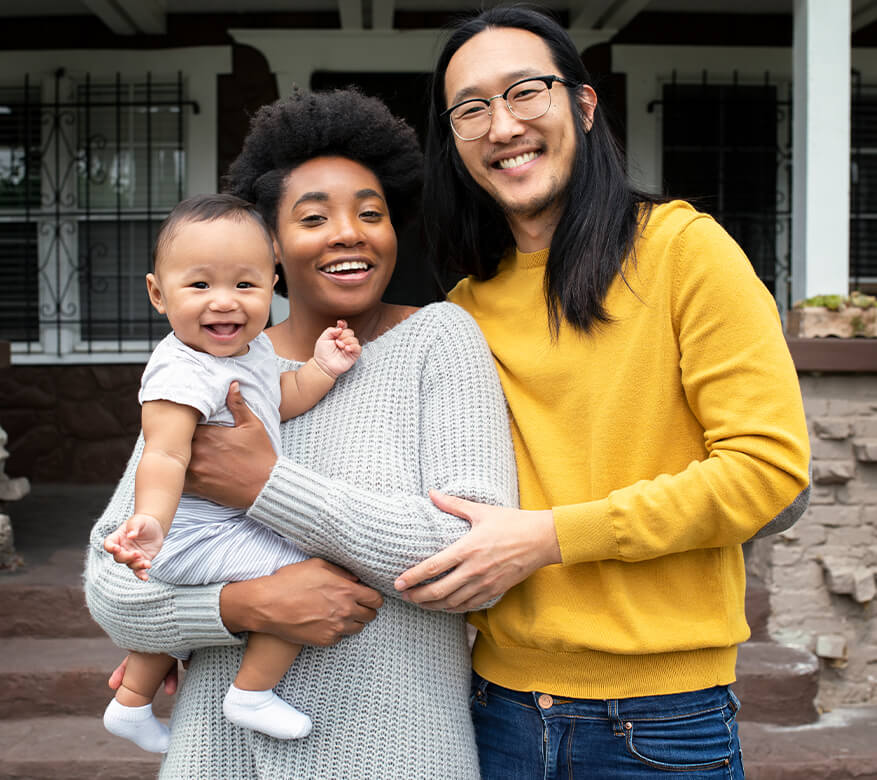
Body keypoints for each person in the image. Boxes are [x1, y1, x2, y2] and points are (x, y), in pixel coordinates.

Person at [393, 7, 811, 778]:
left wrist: (547, 537)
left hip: (658, 724)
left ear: (582, 106)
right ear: (454, 142)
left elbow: (765, 470)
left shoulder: (684, 252)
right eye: (471, 108)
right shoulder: (463, 310)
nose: (501, 125)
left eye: (525, 92)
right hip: (492, 710)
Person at [84, 87, 517, 779]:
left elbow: (475, 562)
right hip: (215, 758)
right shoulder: (206, 362)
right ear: (271, 246)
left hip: (396, 752)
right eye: (313, 217)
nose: (349, 232)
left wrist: (266, 486)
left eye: (370, 214)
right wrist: (241, 604)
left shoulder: (439, 339)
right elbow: (115, 587)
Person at [101, 193, 362, 752]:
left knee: (271, 563)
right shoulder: (181, 369)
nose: (224, 302)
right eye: (199, 286)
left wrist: (321, 368)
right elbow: (166, 455)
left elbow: (281, 399)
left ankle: (131, 703)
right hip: (192, 532)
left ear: (272, 286)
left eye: (245, 285)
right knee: (298, 572)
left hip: (218, 527)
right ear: (157, 293)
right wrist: (150, 519)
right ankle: (251, 692)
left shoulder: (252, 354)